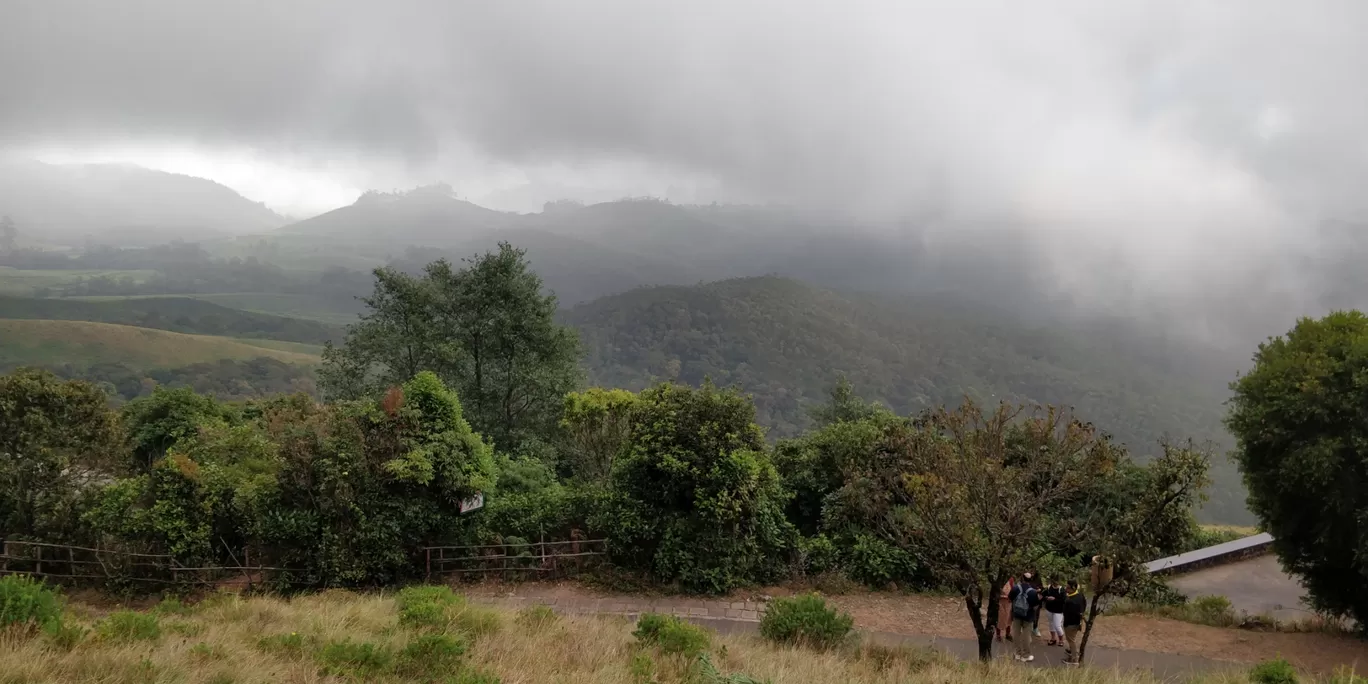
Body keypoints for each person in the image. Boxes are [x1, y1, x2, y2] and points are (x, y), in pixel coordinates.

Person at [1007, 573, 1041, 662]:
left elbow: (1009, 599)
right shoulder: (1033, 592)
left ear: (1022, 578)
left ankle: (1017, 653)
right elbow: (1035, 606)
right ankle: (1026, 655)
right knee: (1026, 635)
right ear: (1031, 580)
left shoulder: (1015, 588)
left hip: (1017, 614)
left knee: (1016, 634)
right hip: (1028, 616)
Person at [1062, 579, 1088, 665]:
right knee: (1072, 638)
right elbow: (1084, 604)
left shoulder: (1070, 601)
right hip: (1077, 622)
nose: (1066, 589)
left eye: (1068, 588)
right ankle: (1072, 651)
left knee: (1071, 640)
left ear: (1073, 588)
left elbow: (1066, 612)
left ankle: (1074, 659)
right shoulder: (1080, 595)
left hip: (1070, 623)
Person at [1042, 578, 1066, 646]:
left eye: (1057, 581)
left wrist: (1054, 599)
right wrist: (1047, 598)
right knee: (1051, 624)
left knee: (1057, 625)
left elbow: (1064, 600)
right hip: (1049, 609)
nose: (1056, 582)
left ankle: (1061, 640)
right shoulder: (1049, 588)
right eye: (1054, 581)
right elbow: (1043, 595)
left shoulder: (1062, 590)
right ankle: (1053, 638)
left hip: (1058, 611)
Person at [996, 576, 1014, 641]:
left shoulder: (1011, 579)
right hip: (1000, 601)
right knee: (1000, 618)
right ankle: (998, 635)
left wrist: (1010, 597)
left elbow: (1012, 590)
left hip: (1008, 602)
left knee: (1008, 618)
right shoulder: (999, 578)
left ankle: (1008, 634)